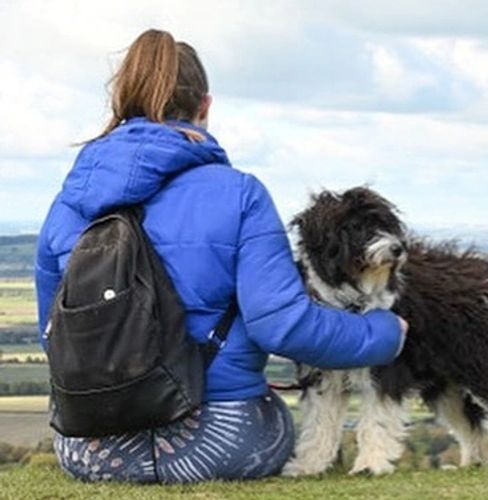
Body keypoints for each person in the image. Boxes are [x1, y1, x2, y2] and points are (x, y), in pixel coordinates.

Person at [35, 29, 408, 483]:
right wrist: (383, 331)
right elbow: (282, 326)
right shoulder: (241, 196)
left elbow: (53, 336)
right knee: (272, 419)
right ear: (205, 108)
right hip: (216, 441)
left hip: (92, 449)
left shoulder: (67, 203)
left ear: (120, 104)